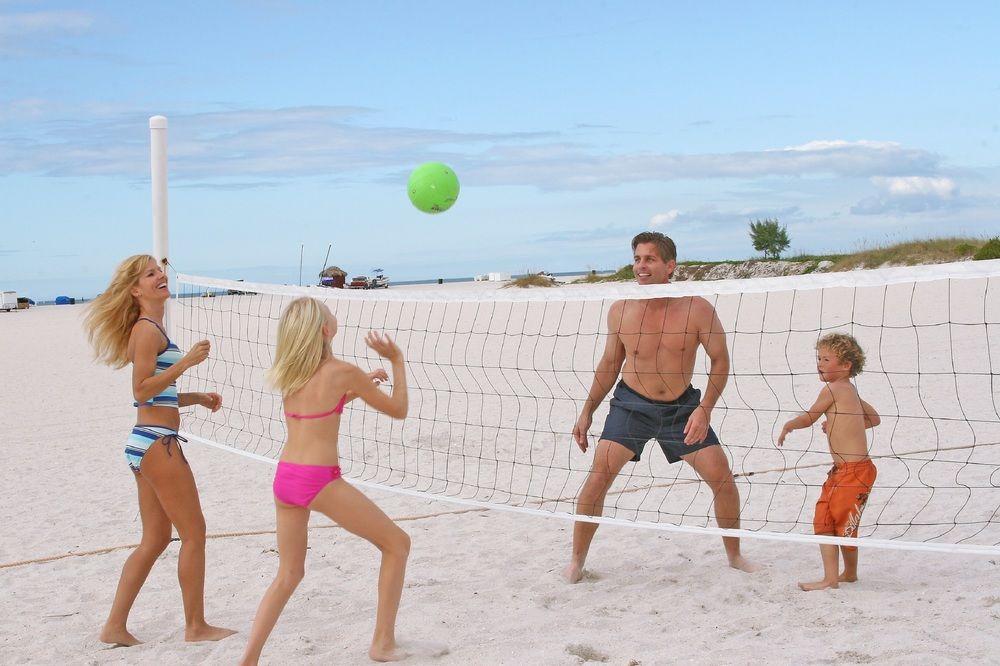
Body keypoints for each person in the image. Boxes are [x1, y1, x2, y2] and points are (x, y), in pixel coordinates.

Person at [240, 297, 433, 664]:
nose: (332, 311)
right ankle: (383, 643)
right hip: (318, 480)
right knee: (397, 544)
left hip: (285, 478)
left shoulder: (290, 371)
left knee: (289, 573)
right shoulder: (343, 371)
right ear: (326, 329)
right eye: (327, 311)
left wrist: (358, 389)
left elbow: (319, 407)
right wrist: (395, 361)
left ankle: (248, 659)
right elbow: (399, 411)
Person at [565, 231, 757, 583]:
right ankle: (576, 562)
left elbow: (720, 362)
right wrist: (587, 410)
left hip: (682, 409)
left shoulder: (697, 309)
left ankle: (734, 555)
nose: (641, 266)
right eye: (637, 258)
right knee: (597, 479)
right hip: (631, 406)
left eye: (650, 259)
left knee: (723, 479)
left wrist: (705, 409)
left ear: (670, 266)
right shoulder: (621, 310)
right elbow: (610, 363)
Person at [84, 254, 235, 646]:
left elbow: (158, 393)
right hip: (157, 444)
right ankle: (196, 626)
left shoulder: (150, 328)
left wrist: (196, 398)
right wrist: (185, 362)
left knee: (154, 540)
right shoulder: (146, 330)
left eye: (159, 271)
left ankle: (114, 627)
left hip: (144, 441)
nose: (160, 276)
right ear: (136, 289)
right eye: (151, 274)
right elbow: (140, 391)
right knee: (195, 533)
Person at [779, 332, 880, 591]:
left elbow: (810, 417)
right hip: (844, 470)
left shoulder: (833, 389)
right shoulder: (850, 390)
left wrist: (791, 424)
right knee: (830, 519)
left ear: (846, 366)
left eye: (826, 359)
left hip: (854, 472)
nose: (820, 363)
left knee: (839, 523)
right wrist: (843, 425)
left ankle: (832, 579)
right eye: (819, 358)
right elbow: (874, 419)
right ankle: (847, 574)